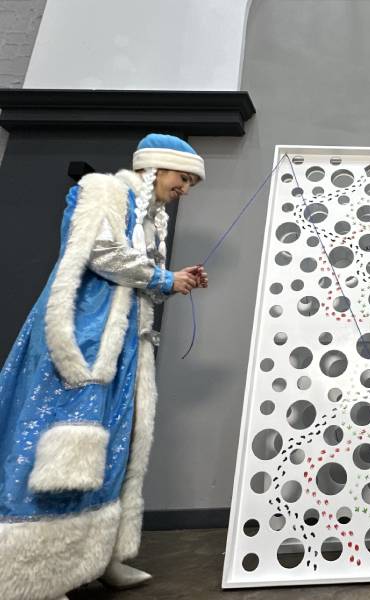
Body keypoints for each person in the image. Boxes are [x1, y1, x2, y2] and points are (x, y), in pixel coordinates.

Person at [0, 133, 209, 600]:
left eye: (191, 183)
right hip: (82, 337)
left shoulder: (148, 220)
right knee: (58, 447)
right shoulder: (102, 191)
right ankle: (34, 572)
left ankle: (98, 557)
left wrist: (173, 281)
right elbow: (101, 252)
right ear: (155, 168)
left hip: (123, 346)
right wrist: (164, 277)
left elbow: (132, 276)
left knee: (115, 447)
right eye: (183, 178)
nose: (185, 189)